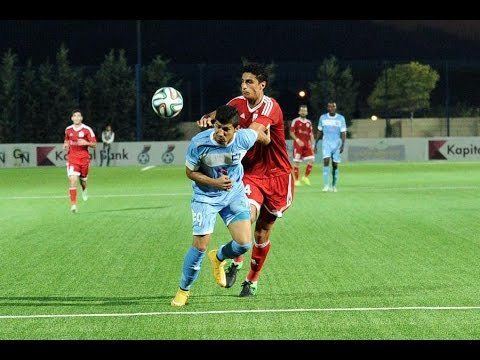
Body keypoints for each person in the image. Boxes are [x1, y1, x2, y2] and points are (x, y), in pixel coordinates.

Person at [197, 63, 293, 297]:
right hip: (251, 173)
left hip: (278, 175)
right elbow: (220, 115)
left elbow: (252, 132)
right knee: (247, 216)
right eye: (242, 82)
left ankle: (251, 280)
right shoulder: (237, 103)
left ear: (262, 85)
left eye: (249, 82)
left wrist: (245, 133)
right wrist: (207, 119)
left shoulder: (271, 106)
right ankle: (230, 258)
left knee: (262, 233)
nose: (244, 86)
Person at [171, 105, 270, 307]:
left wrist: (266, 139)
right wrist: (215, 183)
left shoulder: (244, 138)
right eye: (217, 127)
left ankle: (218, 257)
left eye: (226, 129)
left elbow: (258, 134)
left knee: (244, 244)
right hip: (205, 196)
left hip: (233, 195)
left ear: (236, 129)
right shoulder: (199, 144)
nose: (220, 133)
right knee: (200, 245)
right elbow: (190, 172)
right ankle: (183, 290)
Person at [63, 109, 97, 213]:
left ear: (81, 118)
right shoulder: (68, 130)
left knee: (83, 181)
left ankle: (84, 189)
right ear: (72, 118)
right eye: (75, 116)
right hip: (72, 159)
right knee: (73, 180)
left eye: (79, 116)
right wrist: (65, 144)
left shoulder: (87, 130)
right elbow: (66, 140)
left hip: (84, 159)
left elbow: (94, 144)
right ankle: (73, 205)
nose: (77, 118)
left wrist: (86, 143)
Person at [314, 102, 347, 192]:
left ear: (336, 108)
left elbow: (343, 132)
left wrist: (343, 145)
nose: (331, 108)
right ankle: (326, 185)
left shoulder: (341, 118)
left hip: (337, 144)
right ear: (327, 108)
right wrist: (316, 143)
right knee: (326, 161)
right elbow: (319, 131)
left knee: (335, 165)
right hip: (326, 143)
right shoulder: (323, 117)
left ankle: (334, 185)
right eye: (330, 106)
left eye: (333, 106)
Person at [289, 104, 315, 186]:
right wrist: (297, 140)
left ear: (307, 112)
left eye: (305, 111)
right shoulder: (295, 121)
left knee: (312, 160)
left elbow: (311, 134)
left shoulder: (309, 122)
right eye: (302, 110)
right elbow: (291, 132)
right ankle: (296, 180)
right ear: (299, 112)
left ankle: (305, 177)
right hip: (298, 145)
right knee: (296, 163)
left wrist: (313, 144)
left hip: (307, 145)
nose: (303, 112)